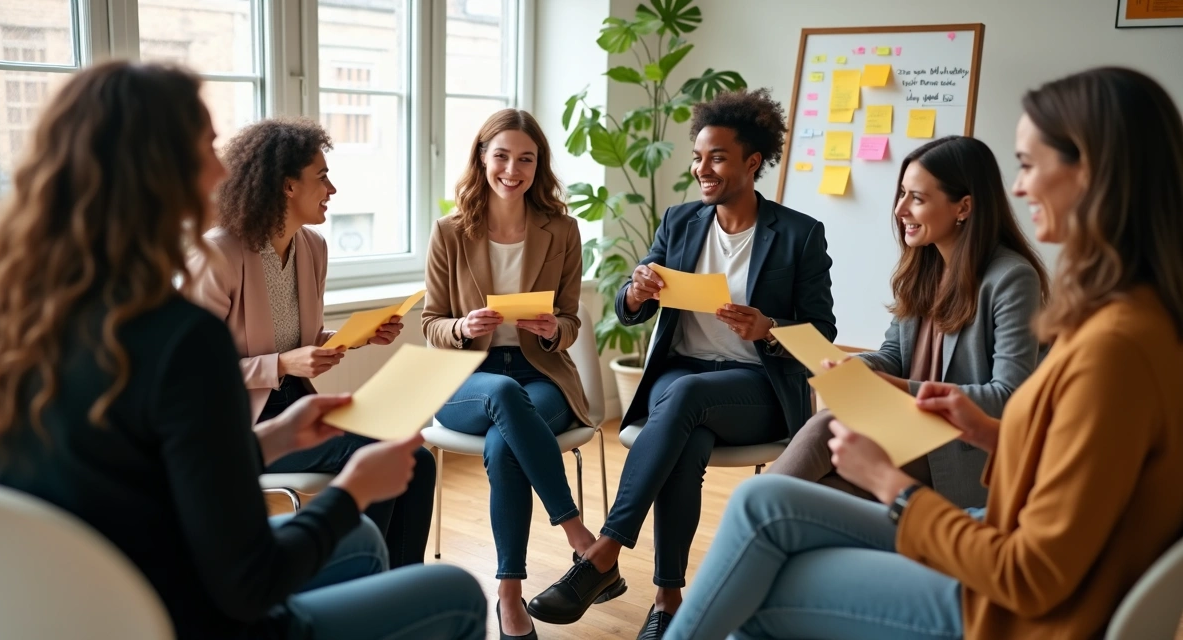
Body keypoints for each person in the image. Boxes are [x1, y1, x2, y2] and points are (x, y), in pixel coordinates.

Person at [0, 61, 486, 640]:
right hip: (186, 611)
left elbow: (139, 474)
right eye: (206, 148)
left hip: (83, 602)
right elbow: (249, 584)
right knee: (459, 592)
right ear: (157, 175)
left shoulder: (8, 324)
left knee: (362, 540)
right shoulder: (181, 338)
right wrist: (354, 489)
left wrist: (278, 435)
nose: (220, 169)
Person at [664, 66, 1183, 640]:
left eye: (1030, 165)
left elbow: (1031, 575)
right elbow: (1074, 464)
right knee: (767, 512)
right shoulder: (1131, 322)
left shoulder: (1112, 344)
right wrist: (975, 427)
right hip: (1000, 534)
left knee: (762, 566)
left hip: (1007, 603)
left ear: (1094, 175)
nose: (1018, 186)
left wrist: (893, 486)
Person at [527, 88, 836, 639]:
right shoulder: (681, 221)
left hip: (757, 388)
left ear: (752, 162)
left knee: (687, 399)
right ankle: (668, 602)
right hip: (683, 379)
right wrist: (638, 289)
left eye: (716, 156)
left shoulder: (799, 235)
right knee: (686, 435)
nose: (701, 168)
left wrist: (767, 328)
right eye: (697, 157)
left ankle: (603, 554)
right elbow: (627, 309)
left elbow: (822, 337)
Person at [184, 118, 435, 568]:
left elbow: (299, 340)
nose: (332, 189)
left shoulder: (312, 247)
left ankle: (396, 584)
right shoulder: (217, 255)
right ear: (286, 187)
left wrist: (352, 339)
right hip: (242, 428)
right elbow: (193, 372)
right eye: (322, 177)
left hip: (300, 407)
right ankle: (359, 579)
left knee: (416, 459)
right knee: (376, 454)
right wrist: (280, 365)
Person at [768, 135, 1049, 508]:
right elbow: (893, 354)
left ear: (963, 207)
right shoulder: (924, 268)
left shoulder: (1012, 278)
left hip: (963, 451)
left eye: (916, 198)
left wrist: (898, 389)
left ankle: (744, 518)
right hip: (908, 435)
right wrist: (856, 367)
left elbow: (1007, 397)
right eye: (901, 194)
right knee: (826, 492)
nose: (900, 209)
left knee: (826, 427)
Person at [422, 108, 616, 640]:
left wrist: (555, 327)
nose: (513, 168)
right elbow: (429, 324)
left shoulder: (562, 230)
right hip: (470, 379)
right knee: (503, 393)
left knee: (506, 446)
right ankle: (582, 539)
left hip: (541, 373)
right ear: (482, 159)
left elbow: (573, 319)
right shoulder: (450, 232)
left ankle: (509, 591)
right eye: (501, 156)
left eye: (526, 159)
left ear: (539, 166)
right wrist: (462, 326)